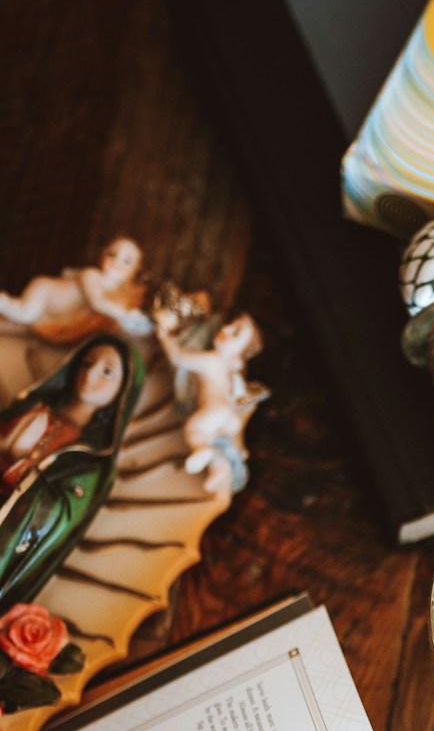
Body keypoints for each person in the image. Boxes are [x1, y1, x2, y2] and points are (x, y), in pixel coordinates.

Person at [0, 337, 143, 612]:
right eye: (87, 363)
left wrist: (33, 483)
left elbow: (63, 515)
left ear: (121, 392)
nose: (90, 374)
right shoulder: (34, 407)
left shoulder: (93, 459)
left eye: (107, 371)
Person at [155, 310, 265, 494]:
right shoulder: (233, 367)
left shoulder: (212, 360)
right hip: (230, 416)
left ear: (239, 354)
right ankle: (221, 469)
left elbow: (179, 357)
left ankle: (202, 450)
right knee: (216, 439)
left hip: (215, 411)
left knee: (194, 430)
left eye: (235, 333)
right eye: (231, 323)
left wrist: (164, 336)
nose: (226, 328)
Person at [0, 237, 154, 344]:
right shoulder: (91, 275)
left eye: (126, 261)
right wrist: (126, 315)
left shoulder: (118, 295)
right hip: (45, 292)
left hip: (56, 312)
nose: (116, 262)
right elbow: (96, 302)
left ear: (134, 272)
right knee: (24, 313)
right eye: (112, 254)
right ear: (102, 258)